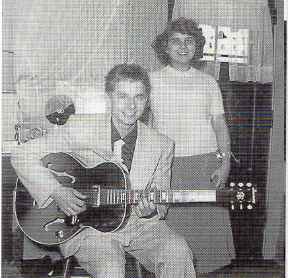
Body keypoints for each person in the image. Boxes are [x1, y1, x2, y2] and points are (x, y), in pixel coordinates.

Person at [11, 63, 196, 278]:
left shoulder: (162, 144)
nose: (131, 106)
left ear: (147, 100)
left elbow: (161, 197)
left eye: (139, 97)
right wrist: (56, 191)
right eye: (122, 97)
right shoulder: (79, 127)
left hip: (139, 225)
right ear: (109, 97)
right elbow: (21, 155)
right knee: (111, 267)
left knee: (179, 251)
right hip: (88, 229)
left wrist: (153, 209)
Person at [150, 18, 235, 274]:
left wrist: (226, 163)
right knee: (171, 246)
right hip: (169, 167)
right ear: (165, 47)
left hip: (205, 166)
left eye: (189, 42)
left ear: (197, 47)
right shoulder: (151, 81)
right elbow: (145, 129)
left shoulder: (209, 83)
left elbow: (220, 127)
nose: (183, 47)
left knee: (207, 247)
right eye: (176, 41)